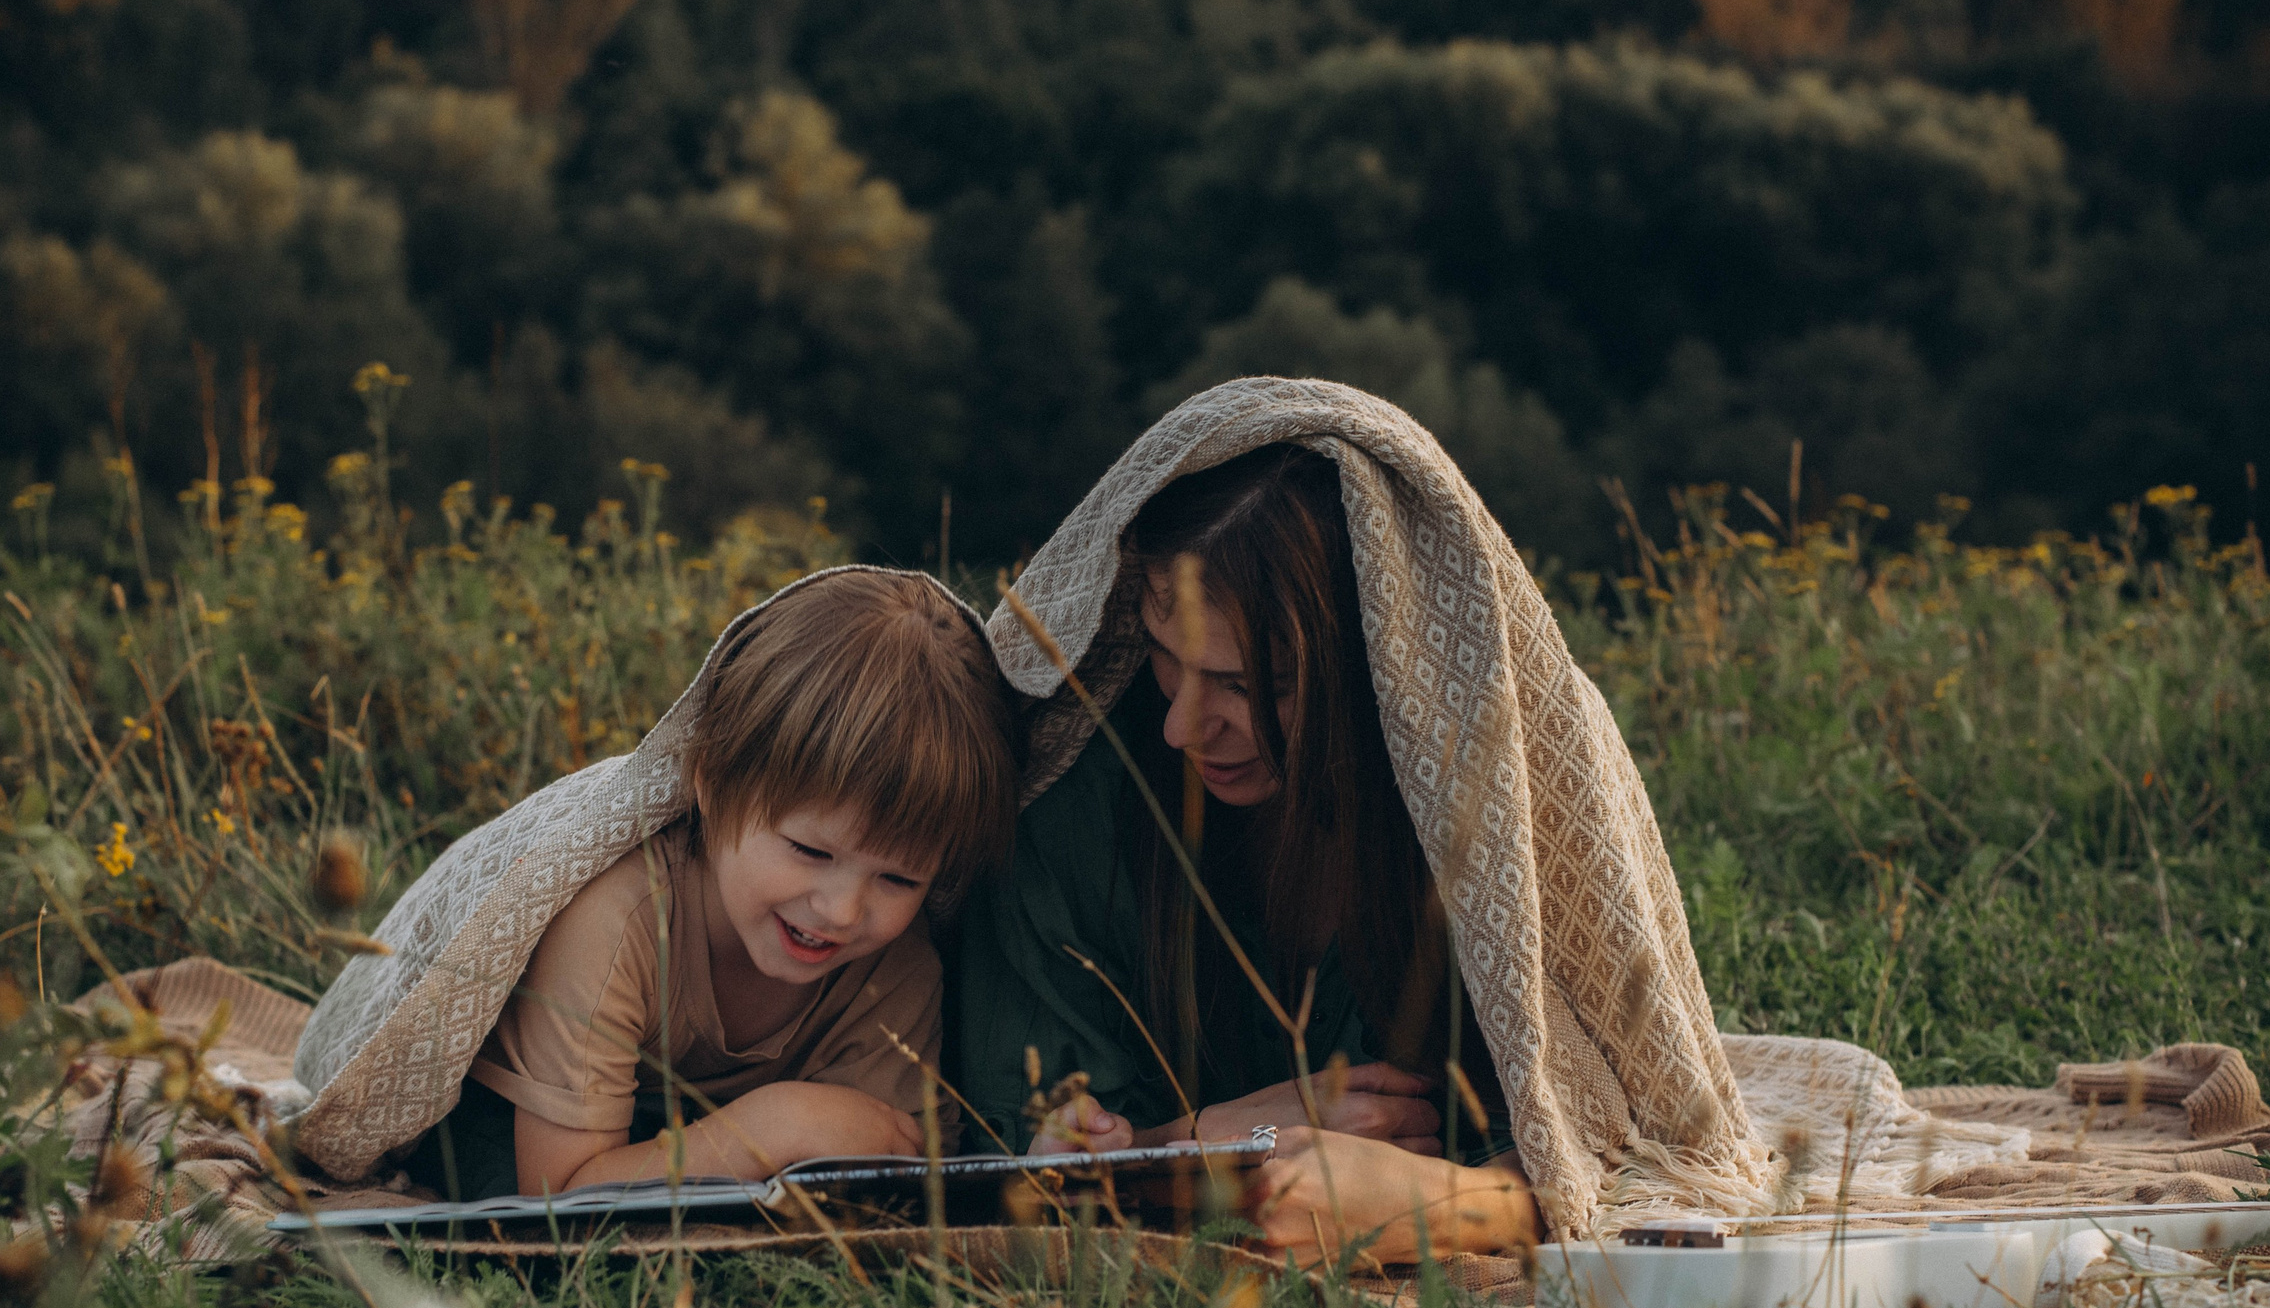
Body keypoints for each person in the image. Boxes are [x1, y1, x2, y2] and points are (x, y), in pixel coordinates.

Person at [953, 442, 1545, 1264]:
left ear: (1382, 667)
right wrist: (1209, 1144)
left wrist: (1449, 1205)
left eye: (1252, 683)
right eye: (1165, 653)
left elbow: (1615, 1152)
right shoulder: (1074, 809)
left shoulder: (1492, 816)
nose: (1181, 726)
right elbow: (1017, 1163)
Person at [403, 569, 1017, 1200]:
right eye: (809, 849)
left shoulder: (897, 967)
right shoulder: (617, 920)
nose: (840, 910)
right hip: (520, 1132)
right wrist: (776, 1125)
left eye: (899, 877)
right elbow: (559, 1199)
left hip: (677, 1142)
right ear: (713, 785)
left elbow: (902, 1171)